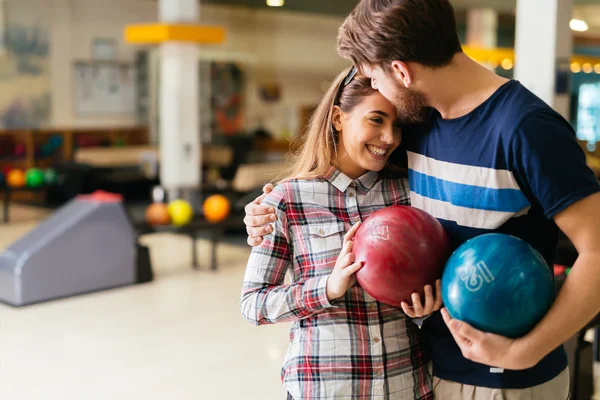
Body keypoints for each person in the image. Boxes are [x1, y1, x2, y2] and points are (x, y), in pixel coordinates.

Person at [243, 1, 600, 399]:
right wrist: (265, 209)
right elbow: (341, 170)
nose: (376, 92)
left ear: (401, 71)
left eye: (374, 79)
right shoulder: (416, 124)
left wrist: (523, 352)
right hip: (426, 373)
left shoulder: (527, 129)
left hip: (507, 382)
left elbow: (598, 252)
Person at [240, 68, 441, 400]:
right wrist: (327, 288)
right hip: (325, 388)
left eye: (397, 125)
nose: (389, 137)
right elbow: (253, 304)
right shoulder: (288, 199)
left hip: (405, 385)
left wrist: (428, 306)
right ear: (337, 118)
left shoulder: (411, 194)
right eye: (376, 120)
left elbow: (433, 276)